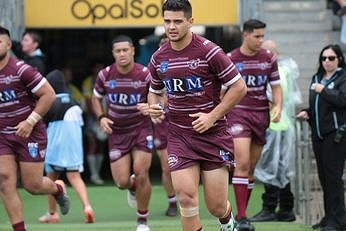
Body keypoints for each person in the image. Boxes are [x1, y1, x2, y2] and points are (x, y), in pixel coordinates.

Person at [147, 0, 247, 230]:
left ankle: (227, 220)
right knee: (186, 199)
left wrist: (212, 116)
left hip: (213, 135)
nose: (171, 26)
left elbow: (239, 87)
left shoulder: (210, 51)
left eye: (178, 21)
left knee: (216, 206)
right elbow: (154, 93)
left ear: (191, 21)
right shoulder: (158, 57)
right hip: (180, 136)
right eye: (167, 21)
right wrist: (155, 107)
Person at [0, 26, 69, 231]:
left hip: (29, 133)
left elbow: (49, 95)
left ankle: (57, 189)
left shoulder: (22, 69)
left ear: (9, 44)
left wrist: (30, 121)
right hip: (3, 135)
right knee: (5, 182)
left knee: (33, 186)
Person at [91, 35, 153, 231]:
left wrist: (150, 106)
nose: (122, 54)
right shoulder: (105, 75)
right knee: (121, 182)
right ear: (113, 53)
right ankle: (132, 187)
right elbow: (95, 97)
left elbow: (160, 97)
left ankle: (142, 221)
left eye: (125, 50)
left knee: (142, 173)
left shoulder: (145, 74)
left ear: (133, 50)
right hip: (117, 133)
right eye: (118, 51)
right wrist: (101, 117)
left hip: (141, 129)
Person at [226, 19, 282, 231]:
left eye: (262, 36)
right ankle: (241, 217)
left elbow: (276, 87)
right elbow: (223, 91)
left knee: (250, 169)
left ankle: (242, 214)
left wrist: (278, 106)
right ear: (245, 35)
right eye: (257, 36)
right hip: (239, 115)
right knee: (241, 164)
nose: (261, 40)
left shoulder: (269, 59)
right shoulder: (231, 59)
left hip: (261, 116)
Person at [250, 40, 302, 222]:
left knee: (272, 167)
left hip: (275, 124)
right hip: (280, 124)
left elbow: (271, 98)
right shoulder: (285, 70)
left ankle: (272, 208)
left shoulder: (276, 72)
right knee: (279, 168)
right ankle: (285, 208)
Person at [296, 44, 346, 231]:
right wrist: (308, 113)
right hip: (318, 133)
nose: (327, 61)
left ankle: (339, 220)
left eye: (331, 58)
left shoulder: (342, 77)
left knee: (334, 178)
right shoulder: (317, 77)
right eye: (324, 58)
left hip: (336, 134)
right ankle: (329, 217)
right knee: (324, 178)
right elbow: (319, 106)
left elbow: (342, 100)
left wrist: (323, 90)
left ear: (339, 59)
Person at [37, 70, 95, 224]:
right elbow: (80, 124)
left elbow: (42, 126)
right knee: (75, 177)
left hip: (54, 147)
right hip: (73, 147)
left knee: (51, 180)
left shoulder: (49, 103)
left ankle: (52, 214)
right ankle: (87, 207)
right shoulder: (75, 102)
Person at [137, 99, 178, 217]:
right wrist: (150, 106)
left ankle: (188, 199)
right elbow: (148, 97)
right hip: (163, 125)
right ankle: (172, 201)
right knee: (167, 167)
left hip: (181, 121)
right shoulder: (153, 81)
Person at [82, 63, 107, 185]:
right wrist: (98, 117)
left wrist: (104, 117)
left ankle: (98, 173)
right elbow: (88, 101)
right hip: (93, 118)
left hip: (106, 117)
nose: (99, 71)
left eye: (100, 69)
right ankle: (93, 174)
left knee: (101, 144)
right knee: (92, 143)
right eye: (97, 69)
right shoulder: (88, 82)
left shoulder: (107, 79)